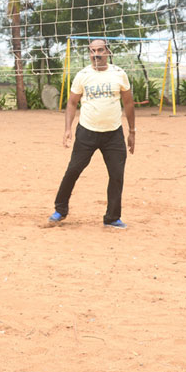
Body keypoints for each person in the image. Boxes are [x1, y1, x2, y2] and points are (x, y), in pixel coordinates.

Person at [48, 38, 135, 229]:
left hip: (113, 134)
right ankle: (60, 210)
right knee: (73, 170)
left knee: (116, 175)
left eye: (100, 50)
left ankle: (112, 218)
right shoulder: (83, 75)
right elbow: (72, 103)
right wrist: (68, 129)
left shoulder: (119, 74)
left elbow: (128, 103)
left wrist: (132, 132)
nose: (96, 54)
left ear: (108, 52)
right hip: (87, 132)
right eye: (92, 51)